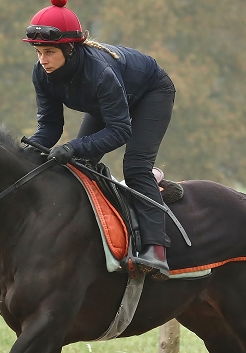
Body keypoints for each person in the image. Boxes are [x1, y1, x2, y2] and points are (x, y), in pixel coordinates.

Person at [23, 0, 176, 278]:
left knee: (135, 167)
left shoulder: (99, 72)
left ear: (70, 49)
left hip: (151, 93)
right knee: (80, 165)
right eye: (38, 52)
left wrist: (71, 147)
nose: (43, 60)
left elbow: (120, 131)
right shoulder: (42, 74)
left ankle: (156, 249)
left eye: (49, 52)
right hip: (109, 102)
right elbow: (49, 128)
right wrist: (26, 153)